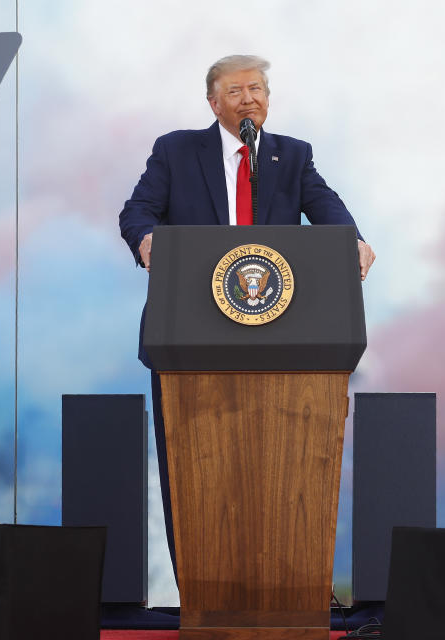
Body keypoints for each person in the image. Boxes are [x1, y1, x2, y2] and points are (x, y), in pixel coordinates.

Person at [118, 54, 375, 579]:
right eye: (235, 91)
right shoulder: (176, 150)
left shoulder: (292, 156)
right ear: (213, 103)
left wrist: (355, 241)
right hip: (188, 336)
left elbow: (326, 207)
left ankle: (286, 591)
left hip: (281, 338)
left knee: (279, 474)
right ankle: (202, 589)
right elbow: (137, 209)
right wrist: (146, 239)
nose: (249, 98)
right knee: (196, 474)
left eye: (257, 89)